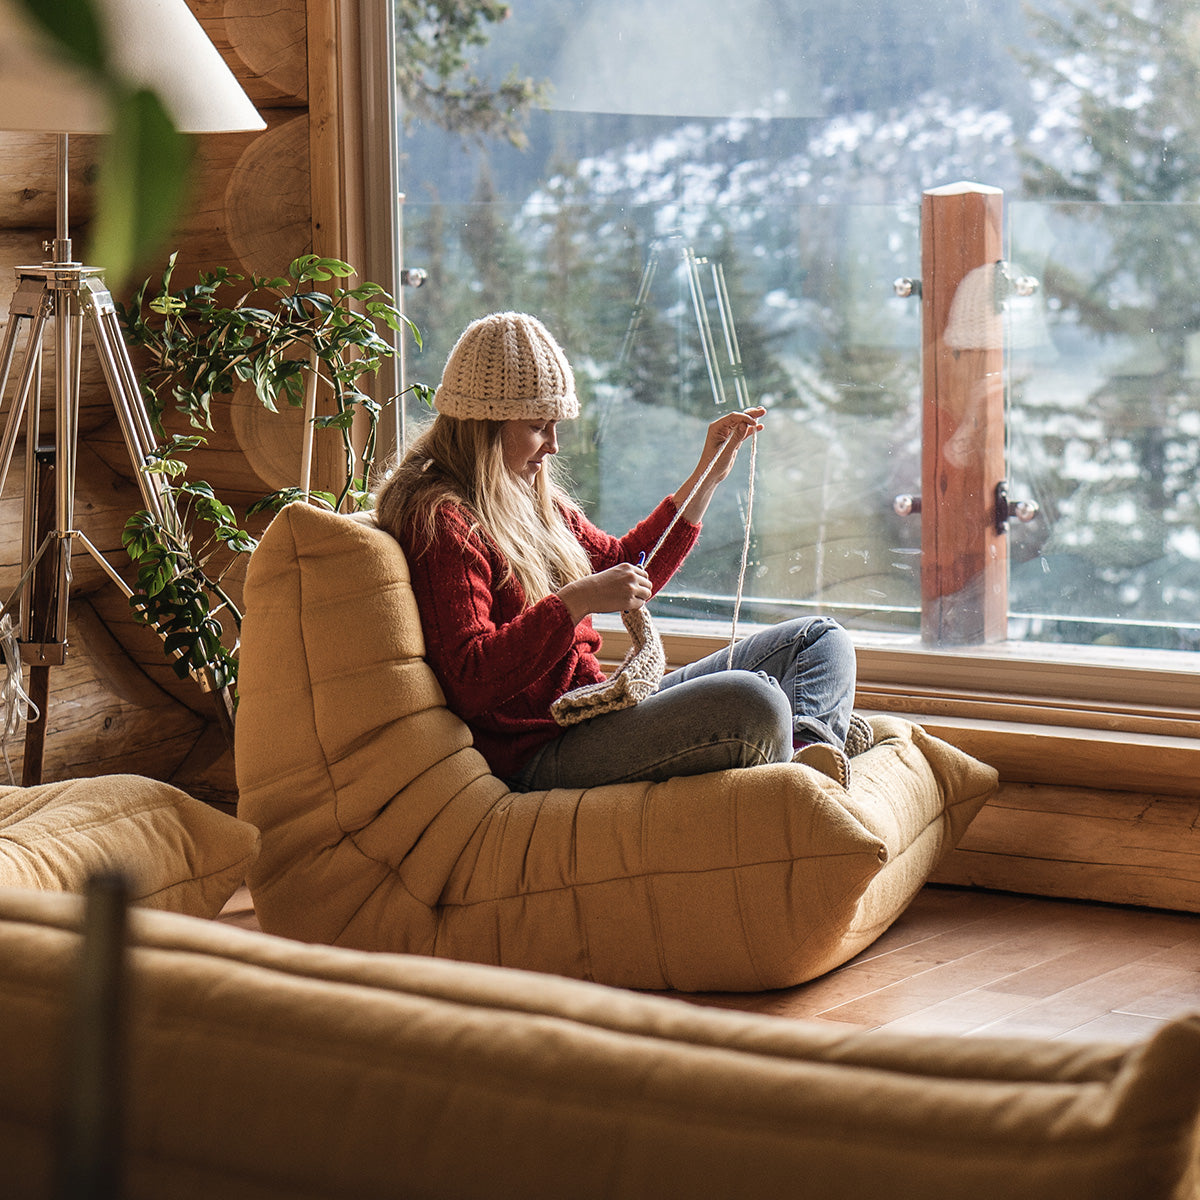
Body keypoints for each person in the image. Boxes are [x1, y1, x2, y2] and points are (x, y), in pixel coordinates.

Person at [374, 310, 870, 792]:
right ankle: (805, 768)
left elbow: (629, 566)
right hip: (542, 749)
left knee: (820, 639)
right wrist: (576, 602)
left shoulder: (524, 492)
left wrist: (706, 475)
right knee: (756, 701)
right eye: (537, 426)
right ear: (484, 425)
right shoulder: (442, 522)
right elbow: (469, 678)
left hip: (599, 710)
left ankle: (809, 764)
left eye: (556, 425)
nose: (553, 445)